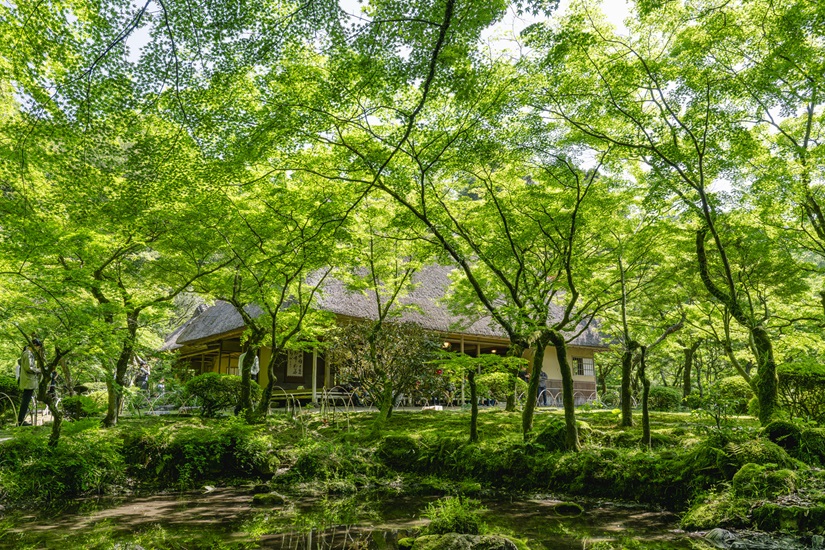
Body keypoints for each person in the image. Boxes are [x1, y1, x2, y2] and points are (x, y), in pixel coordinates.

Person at [17, 338, 42, 426]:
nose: (38, 349)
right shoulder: (28, 354)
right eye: (38, 347)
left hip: (28, 380)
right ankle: (20, 421)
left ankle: (20, 420)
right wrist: (39, 370)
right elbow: (29, 368)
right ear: (35, 345)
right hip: (28, 381)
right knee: (25, 401)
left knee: (26, 400)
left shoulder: (27, 353)